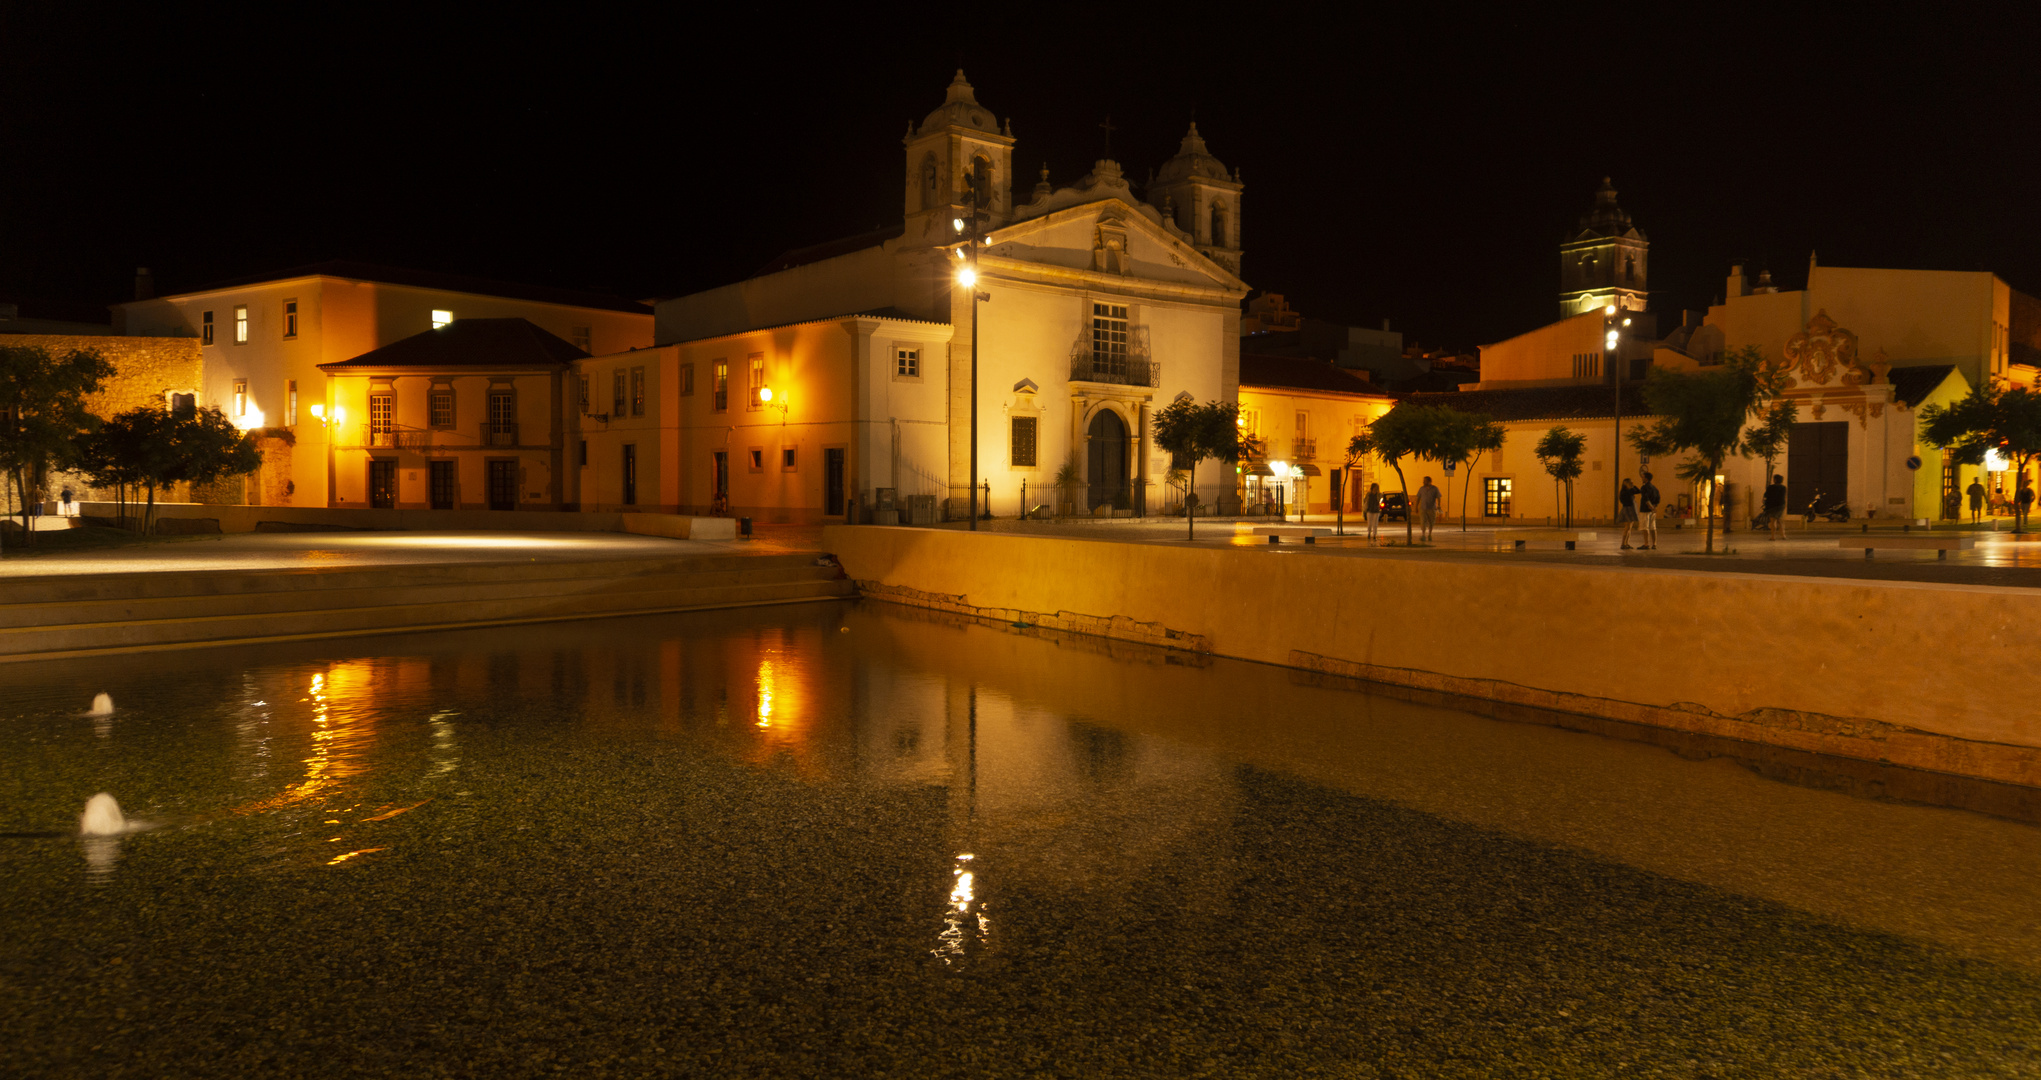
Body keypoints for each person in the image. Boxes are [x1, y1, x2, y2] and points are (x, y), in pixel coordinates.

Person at [1638, 471, 1661, 549]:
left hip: (1645, 510)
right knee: (1653, 527)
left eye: (1643, 477)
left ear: (1646, 478)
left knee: (1645, 527)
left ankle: (1646, 544)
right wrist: (1654, 507)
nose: (1642, 478)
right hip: (1653, 511)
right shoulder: (1654, 488)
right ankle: (1654, 544)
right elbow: (1658, 499)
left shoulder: (1644, 487)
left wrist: (1650, 506)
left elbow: (1646, 499)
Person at [1415, 476, 1441, 541]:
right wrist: (1416, 507)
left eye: (1425, 481)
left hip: (1432, 508)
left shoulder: (1435, 489)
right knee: (1423, 521)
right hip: (1423, 508)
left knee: (1431, 522)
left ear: (1429, 481)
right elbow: (1418, 498)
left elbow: (1438, 497)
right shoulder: (1421, 489)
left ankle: (1430, 534)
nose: (1423, 482)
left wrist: (1439, 506)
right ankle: (1423, 535)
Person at [1617, 478, 1640, 550]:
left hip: (1631, 509)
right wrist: (1630, 487)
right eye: (1629, 483)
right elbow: (1625, 498)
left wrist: (1633, 485)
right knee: (1627, 527)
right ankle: (1623, 543)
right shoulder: (1624, 492)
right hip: (1627, 509)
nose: (1631, 483)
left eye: (1631, 482)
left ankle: (1626, 543)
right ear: (1625, 483)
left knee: (1629, 528)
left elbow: (1638, 491)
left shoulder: (1630, 490)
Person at [1763, 473, 1788, 540]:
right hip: (1780, 506)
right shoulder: (1783, 488)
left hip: (1772, 506)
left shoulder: (1770, 487)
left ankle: (1773, 537)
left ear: (1775, 480)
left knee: (1773, 521)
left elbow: (1766, 496)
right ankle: (1783, 535)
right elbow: (1784, 497)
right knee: (1780, 521)